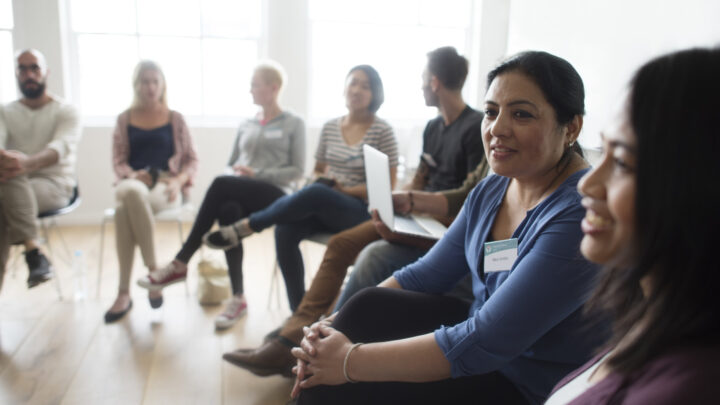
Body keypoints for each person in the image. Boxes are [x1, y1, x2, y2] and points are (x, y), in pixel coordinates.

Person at [290, 51, 609, 405]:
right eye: (491, 112)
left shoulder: (580, 215)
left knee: (348, 378)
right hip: (478, 344)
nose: (497, 129)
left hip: (523, 383)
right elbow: (424, 275)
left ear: (572, 128)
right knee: (368, 306)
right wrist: (330, 328)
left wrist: (348, 361)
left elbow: (487, 340)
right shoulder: (493, 188)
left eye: (521, 114)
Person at [222, 46, 486, 377]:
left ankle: (298, 342)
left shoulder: (475, 126)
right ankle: (296, 336)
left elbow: (471, 196)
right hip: (417, 214)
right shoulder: (434, 128)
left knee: (348, 245)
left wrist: (413, 202)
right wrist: (406, 197)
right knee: (335, 242)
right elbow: (423, 175)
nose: (419, 86)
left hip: (443, 223)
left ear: (434, 83)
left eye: (421, 79)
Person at [545, 47, 720, 404]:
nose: (588, 185)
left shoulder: (687, 387)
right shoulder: (654, 314)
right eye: (602, 151)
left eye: (622, 162)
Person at [202, 65, 398, 312]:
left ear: (375, 94)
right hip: (326, 204)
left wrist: (342, 190)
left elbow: (386, 188)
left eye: (365, 86)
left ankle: (248, 225)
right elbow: (317, 171)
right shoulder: (330, 127)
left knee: (318, 193)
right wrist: (323, 182)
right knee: (285, 229)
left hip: (361, 213)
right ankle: (299, 314)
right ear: (345, 87)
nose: (357, 89)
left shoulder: (383, 131)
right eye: (353, 83)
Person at [136, 62, 305, 329]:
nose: (250, 89)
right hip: (243, 189)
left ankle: (181, 261)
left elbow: (297, 171)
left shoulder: (294, 123)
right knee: (228, 211)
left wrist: (257, 173)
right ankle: (238, 298)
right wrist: (238, 175)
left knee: (219, 184)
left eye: (255, 84)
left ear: (273, 88)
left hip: (278, 195)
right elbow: (230, 163)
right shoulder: (247, 124)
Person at [104, 60, 198, 323]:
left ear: (162, 85)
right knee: (131, 193)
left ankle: (123, 293)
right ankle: (155, 270)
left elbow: (192, 159)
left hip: (166, 185)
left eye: (155, 81)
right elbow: (118, 161)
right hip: (132, 181)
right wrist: (133, 175)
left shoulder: (175, 118)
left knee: (124, 212)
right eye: (145, 81)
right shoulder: (124, 119)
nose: (150, 87)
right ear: (136, 85)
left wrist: (179, 181)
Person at [0, 49, 81, 292]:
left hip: (53, 185)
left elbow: (60, 148)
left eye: (34, 67)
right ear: (16, 74)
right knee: (9, 182)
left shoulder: (66, 111)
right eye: (22, 69)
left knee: (8, 184)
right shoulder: (5, 111)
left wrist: (24, 163)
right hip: (10, 182)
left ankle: (33, 251)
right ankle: (34, 251)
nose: (29, 74)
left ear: (45, 72)